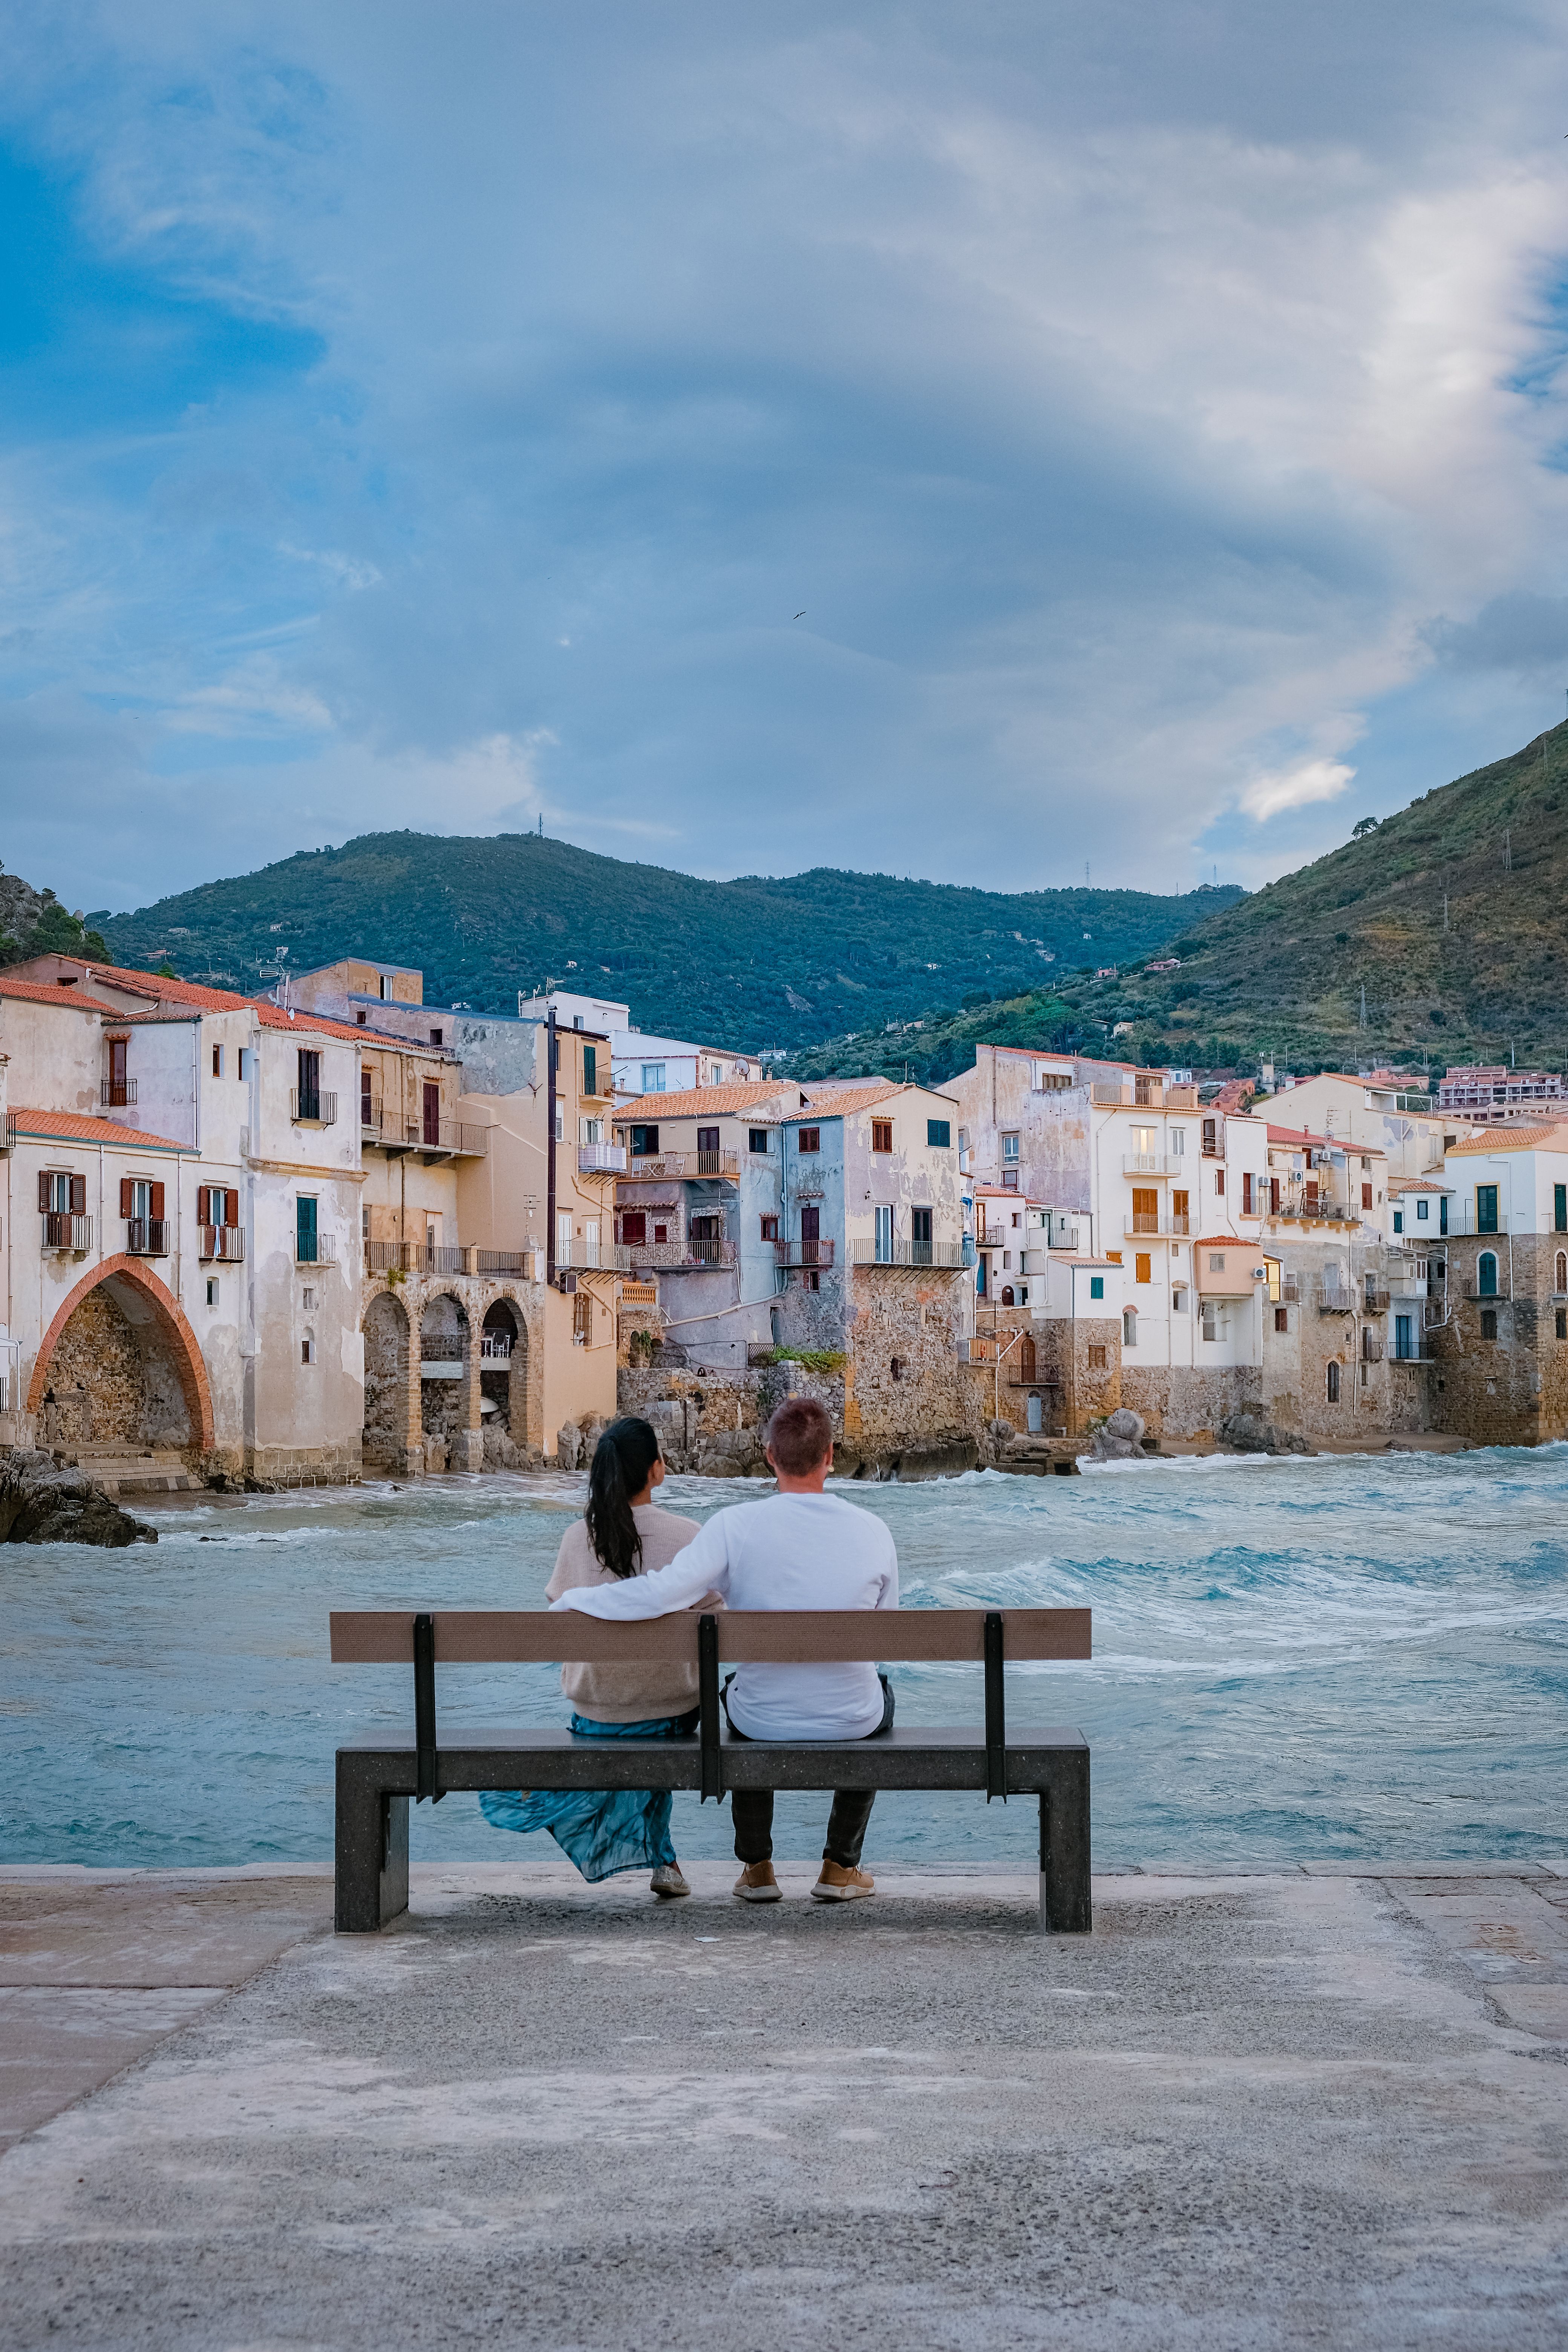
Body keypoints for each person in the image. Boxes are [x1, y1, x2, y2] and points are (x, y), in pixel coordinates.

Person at [553, 1395, 898, 1905]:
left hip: (760, 1719)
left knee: (743, 1693)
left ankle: (758, 1869)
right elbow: (887, 1632)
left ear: (769, 1456)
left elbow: (660, 1593)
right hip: (853, 1717)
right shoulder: (875, 1531)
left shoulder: (733, 1526)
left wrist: (578, 1601)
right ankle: (841, 1866)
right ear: (831, 1456)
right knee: (880, 1694)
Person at [480, 1417, 703, 1899]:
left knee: (626, 1706)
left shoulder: (575, 1539)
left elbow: (557, 1618)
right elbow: (717, 1619)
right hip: (675, 1712)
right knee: (655, 1710)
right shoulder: (690, 1538)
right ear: (656, 1471)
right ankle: (664, 1862)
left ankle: (665, 1860)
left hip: (595, 1710)